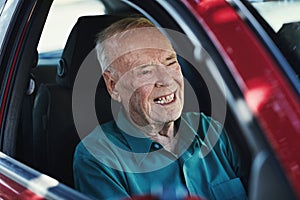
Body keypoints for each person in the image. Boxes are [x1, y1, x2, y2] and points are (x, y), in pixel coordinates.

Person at [73, 17, 247, 200]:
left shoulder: (210, 130)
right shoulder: (99, 157)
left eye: (171, 62)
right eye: (145, 71)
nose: (166, 80)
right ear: (113, 85)